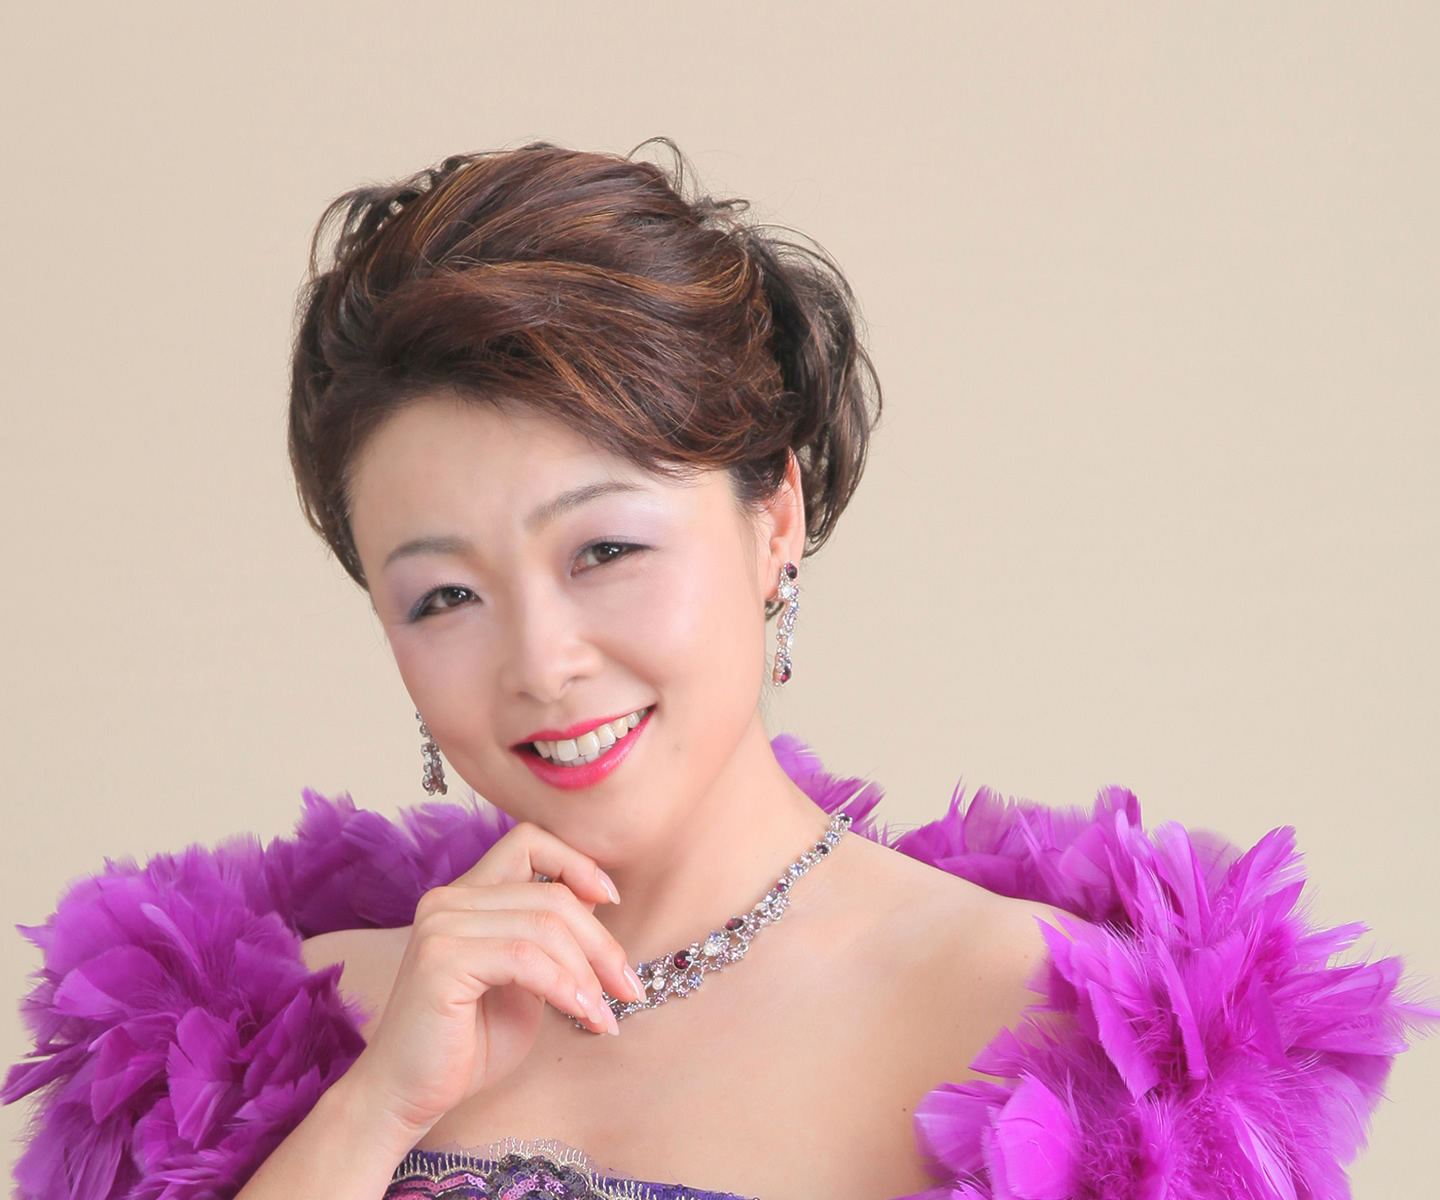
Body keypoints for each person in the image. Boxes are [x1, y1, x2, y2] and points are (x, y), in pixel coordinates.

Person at [3, 143, 1431, 1200]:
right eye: (444, 595)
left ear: (775, 517)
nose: (542, 662)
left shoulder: (1051, 1041)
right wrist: (377, 1111)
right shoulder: (290, 1032)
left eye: (606, 550)